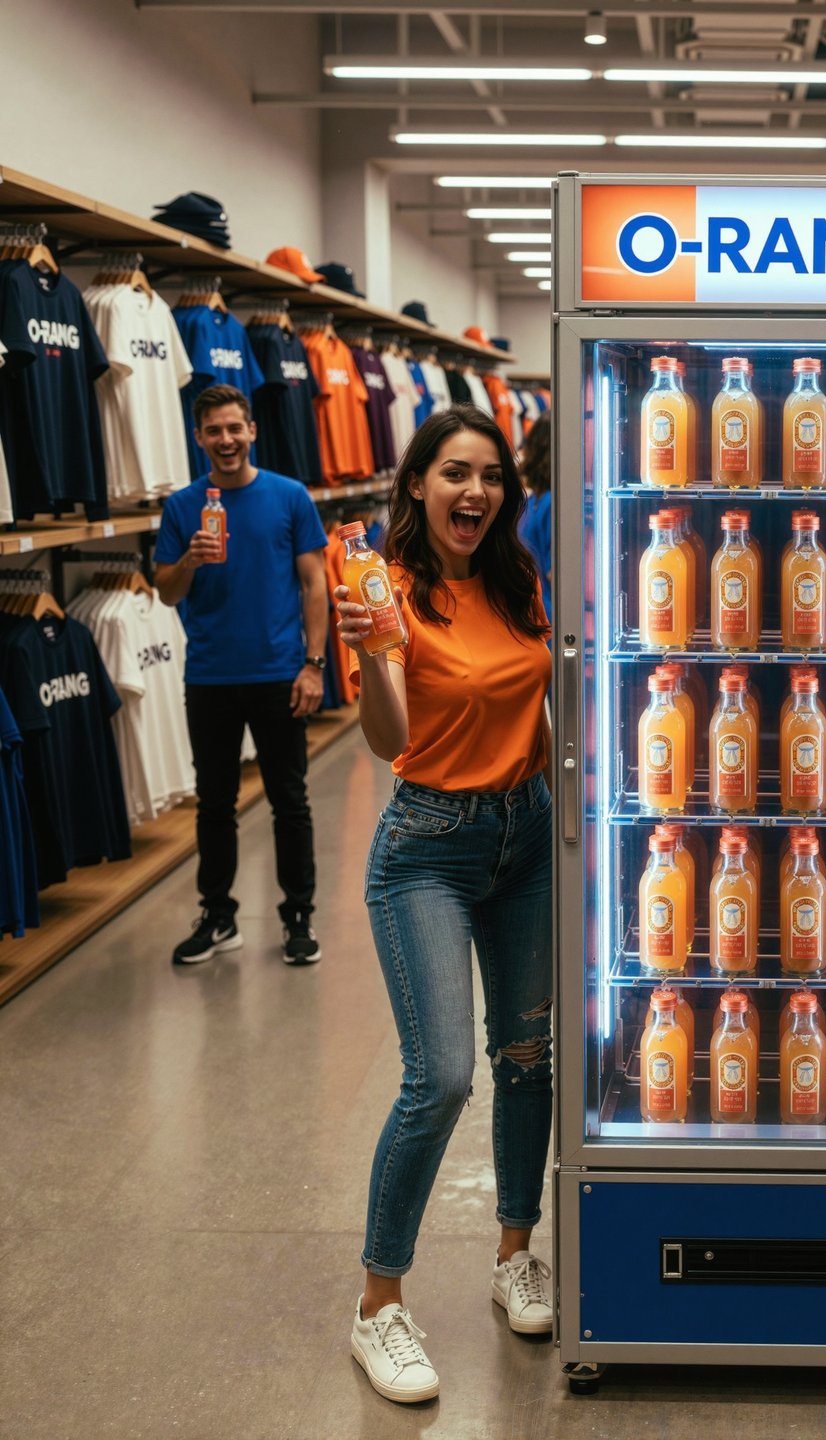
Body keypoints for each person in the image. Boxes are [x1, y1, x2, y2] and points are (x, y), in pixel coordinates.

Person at [335, 405, 554, 1404]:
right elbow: (389, 740)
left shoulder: (518, 581)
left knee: (525, 1056)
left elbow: (542, 704)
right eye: (456, 473)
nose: (476, 492)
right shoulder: (386, 593)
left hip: (529, 835)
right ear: (419, 482)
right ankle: (379, 1306)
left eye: (493, 477)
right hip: (428, 843)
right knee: (443, 1077)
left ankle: (516, 1253)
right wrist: (374, 659)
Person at [155, 384, 329, 966]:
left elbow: (315, 584)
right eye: (213, 431)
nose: (225, 440)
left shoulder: (289, 497)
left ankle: (298, 915)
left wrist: (313, 664)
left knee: (289, 799)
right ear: (199, 437)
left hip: (280, 673)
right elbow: (165, 592)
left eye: (235, 428)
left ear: (252, 430)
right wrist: (189, 560)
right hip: (209, 676)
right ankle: (218, 915)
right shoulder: (182, 507)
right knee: (214, 803)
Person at [517, 413, 552, 625]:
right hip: (551, 618)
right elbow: (557, 574)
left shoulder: (531, 503)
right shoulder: (554, 505)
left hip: (533, 616)